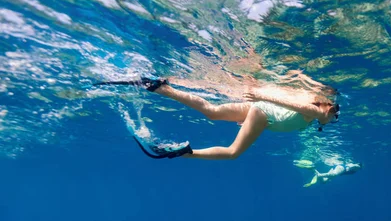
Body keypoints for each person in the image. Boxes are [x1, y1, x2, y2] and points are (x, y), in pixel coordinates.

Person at [112, 77, 341, 160]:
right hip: (262, 111)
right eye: (335, 117)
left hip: (260, 111)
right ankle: (186, 153)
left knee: (212, 111)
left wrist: (255, 114)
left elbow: (287, 113)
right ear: (329, 108)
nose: (333, 121)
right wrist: (261, 95)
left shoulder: (312, 116)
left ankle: (160, 88)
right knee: (233, 153)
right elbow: (289, 104)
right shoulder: (317, 111)